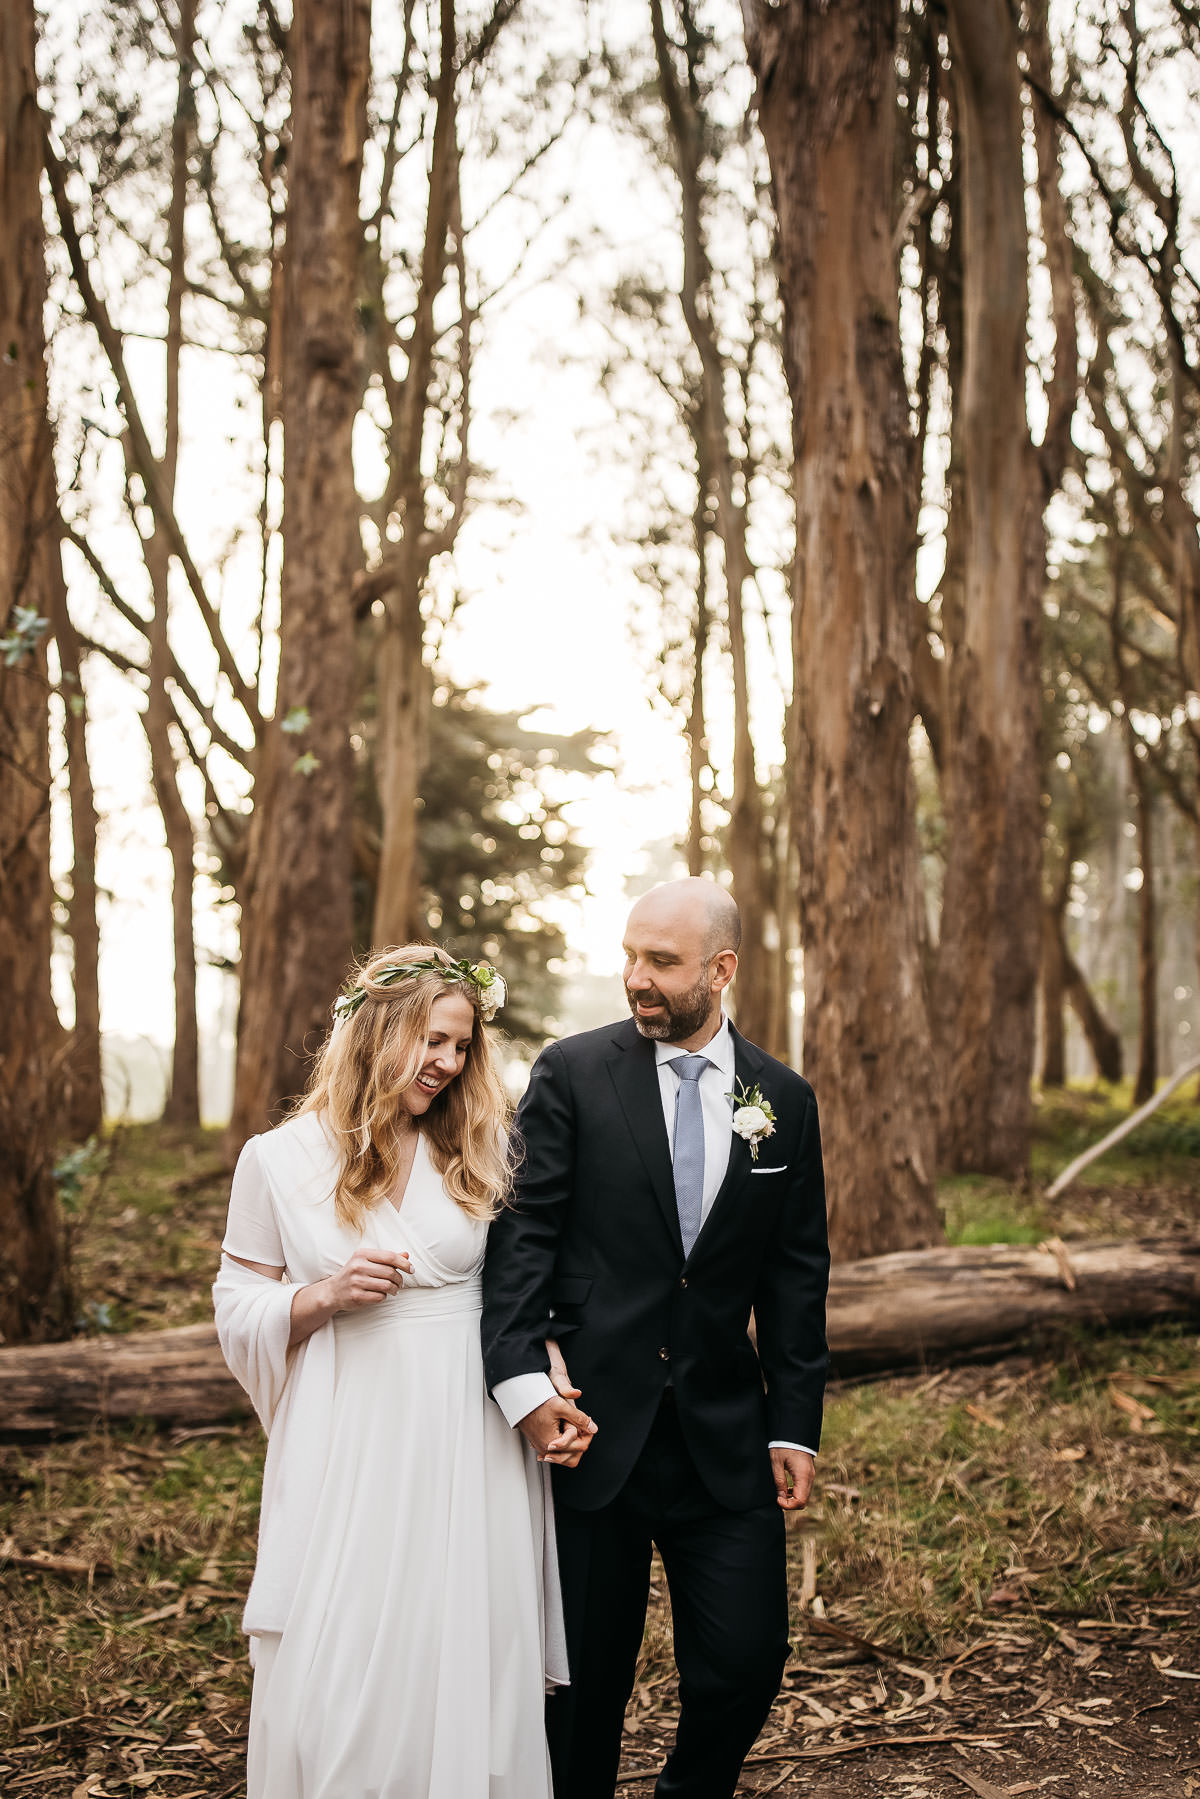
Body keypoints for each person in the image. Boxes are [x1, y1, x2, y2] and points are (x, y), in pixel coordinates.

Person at [482, 878, 830, 1799]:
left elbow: (796, 1277)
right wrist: (522, 1382)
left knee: (748, 1661)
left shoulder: (784, 1103)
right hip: (591, 1432)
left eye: (662, 962)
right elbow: (523, 1240)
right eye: (631, 955)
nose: (637, 978)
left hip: (724, 1435)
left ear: (721, 970)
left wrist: (793, 1424)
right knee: (583, 1689)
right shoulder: (570, 1072)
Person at [213, 946, 581, 1799]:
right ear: (376, 1030)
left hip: (467, 1428)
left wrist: (546, 1367)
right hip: (352, 1431)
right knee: (340, 1649)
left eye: (460, 1046)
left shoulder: (480, 1146)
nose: (447, 1063)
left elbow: (517, 1288)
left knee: (461, 1638)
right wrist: (322, 1296)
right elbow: (237, 1299)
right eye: (431, 1040)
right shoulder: (278, 1158)